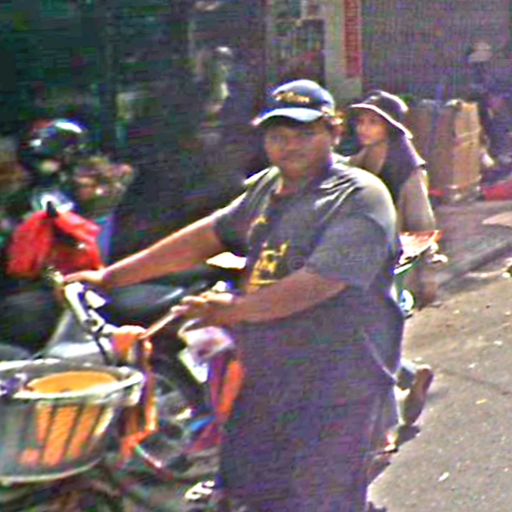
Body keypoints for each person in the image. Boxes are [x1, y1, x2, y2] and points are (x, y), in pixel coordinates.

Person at [66, 79, 403, 512]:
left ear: (334, 132)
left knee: (321, 500)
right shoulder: (268, 187)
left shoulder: (359, 197)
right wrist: (111, 277)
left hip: (337, 385)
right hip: (266, 377)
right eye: (278, 135)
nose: (290, 146)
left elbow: (320, 282)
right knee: (247, 491)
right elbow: (208, 235)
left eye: (305, 133)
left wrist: (237, 310)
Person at [348, 90, 436, 426]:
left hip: (390, 261)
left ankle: (382, 416)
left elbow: (422, 221)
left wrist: (426, 273)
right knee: (361, 333)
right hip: (356, 256)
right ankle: (410, 376)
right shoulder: (358, 161)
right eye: (361, 121)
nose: (364, 128)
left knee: (364, 333)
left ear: (390, 126)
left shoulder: (407, 168)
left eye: (373, 122)